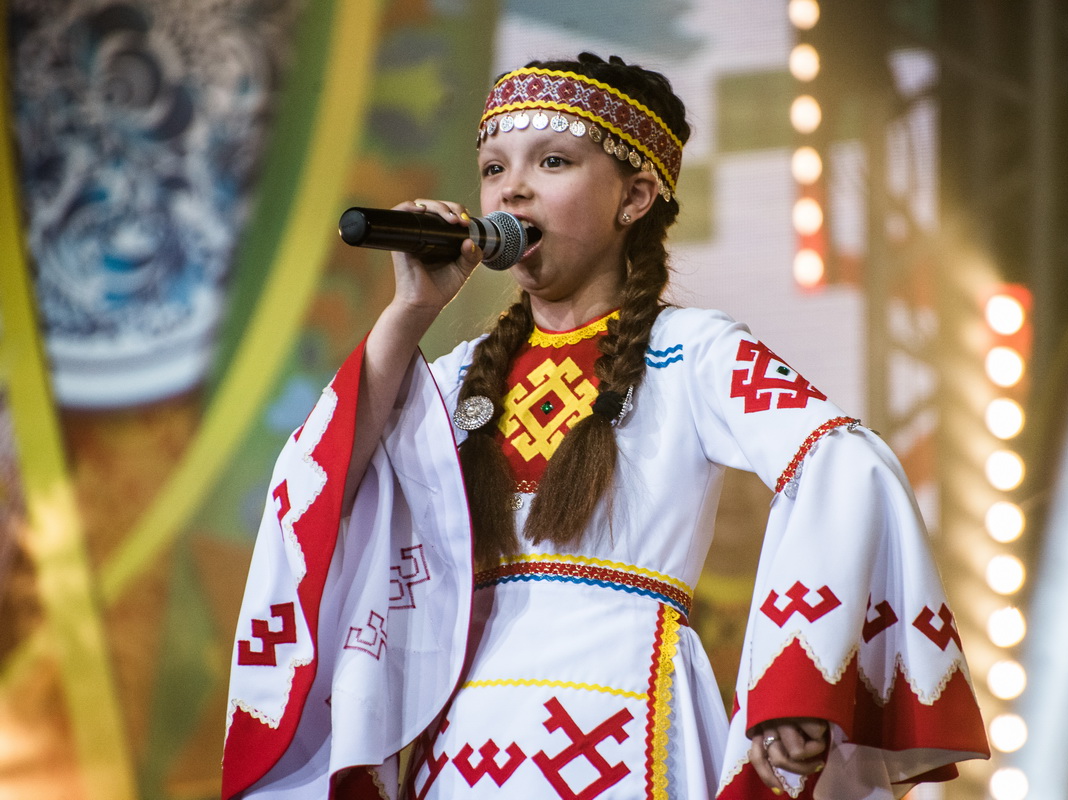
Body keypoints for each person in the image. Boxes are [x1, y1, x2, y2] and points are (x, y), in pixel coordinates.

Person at [222, 53, 989, 800]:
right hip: (461, 746)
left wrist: (799, 675)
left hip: (627, 727)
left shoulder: (694, 353)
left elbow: (842, 459)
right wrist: (410, 313)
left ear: (636, 197)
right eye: (493, 168)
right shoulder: (449, 380)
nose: (512, 187)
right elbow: (319, 493)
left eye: (552, 162)